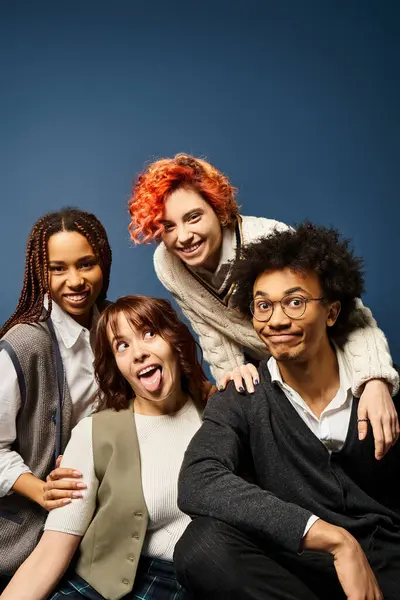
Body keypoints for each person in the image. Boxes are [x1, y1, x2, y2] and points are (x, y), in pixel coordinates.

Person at [174, 223, 400, 600]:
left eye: (295, 302)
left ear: (331, 312)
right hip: (298, 564)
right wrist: (332, 539)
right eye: (263, 305)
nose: (276, 321)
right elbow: (197, 479)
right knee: (202, 546)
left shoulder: (379, 392)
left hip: (386, 564)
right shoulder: (243, 396)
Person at [128, 153, 399, 460]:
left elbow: (353, 316)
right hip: (279, 375)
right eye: (168, 226)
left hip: (331, 363)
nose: (183, 236)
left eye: (193, 217)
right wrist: (233, 378)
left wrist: (375, 380)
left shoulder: (269, 237)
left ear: (217, 209)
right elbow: (208, 329)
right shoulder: (167, 264)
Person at [1, 294, 206, 600]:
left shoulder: (219, 415)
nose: (138, 353)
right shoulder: (94, 432)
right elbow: (51, 552)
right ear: (117, 364)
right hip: (93, 588)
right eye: (122, 345)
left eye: (149, 333)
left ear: (174, 340)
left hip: (186, 585)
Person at [0, 208, 112, 588]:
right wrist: (41, 490)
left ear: (104, 263)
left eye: (86, 264)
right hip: (22, 535)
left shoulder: (118, 327)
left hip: (95, 519)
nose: (75, 281)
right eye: (58, 268)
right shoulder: (25, 343)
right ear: (39, 273)